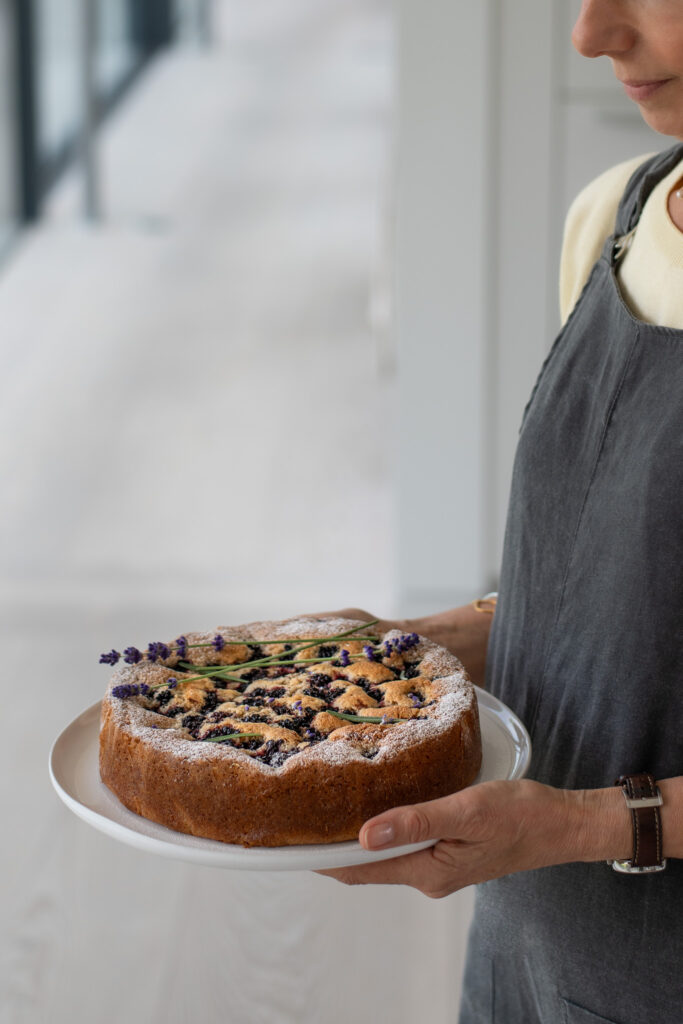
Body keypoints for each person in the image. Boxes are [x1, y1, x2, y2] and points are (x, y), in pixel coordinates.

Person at [318, 3, 683, 1021]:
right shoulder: (614, 212)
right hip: (526, 947)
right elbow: (611, 591)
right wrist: (425, 647)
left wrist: (577, 826)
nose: (590, 33)